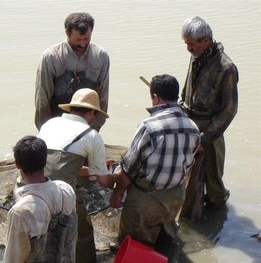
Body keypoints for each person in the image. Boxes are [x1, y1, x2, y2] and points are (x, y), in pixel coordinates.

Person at [110, 75, 200, 250]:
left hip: (146, 198)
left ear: (156, 97)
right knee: (164, 244)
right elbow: (188, 165)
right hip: (175, 197)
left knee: (134, 246)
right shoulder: (193, 127)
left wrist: (117, 194)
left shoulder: (149, 126)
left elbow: (130, 168)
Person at [38, 88, 115, 263]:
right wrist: (116, 177)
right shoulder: (92, 135)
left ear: (71, 109)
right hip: (62, 195)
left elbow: (59, 165)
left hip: (36, 188)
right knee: (84, 231)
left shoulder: (49, 124)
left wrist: (92, 170)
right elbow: (104, 181)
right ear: (92, 113)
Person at [179, 16, 239, 216]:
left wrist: (205, 139)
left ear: (206, 40)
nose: (188, 48)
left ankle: (218, 220)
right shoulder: (196, 55)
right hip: (189, 123)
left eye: (191, 44)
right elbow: (187, 89)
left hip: (211, 129)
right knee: (186, 176)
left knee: (214, 184)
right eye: (186, 44)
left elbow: (229, 110)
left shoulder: (226, 68)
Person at [3, 136, 77, 263]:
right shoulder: (66, 190)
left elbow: (13, 258)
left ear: (17, 164)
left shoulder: (21, 211)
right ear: (45, 161)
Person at [35, 12, 110, 132]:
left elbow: (103, 97)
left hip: (88, 127)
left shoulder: (101, 56)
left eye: (87, 38)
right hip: (56, 124)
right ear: (67, 33)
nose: (82, 43)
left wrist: (93, 130)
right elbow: (42, 99)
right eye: (78, 39)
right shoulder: (50, 57)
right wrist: (45, 130)